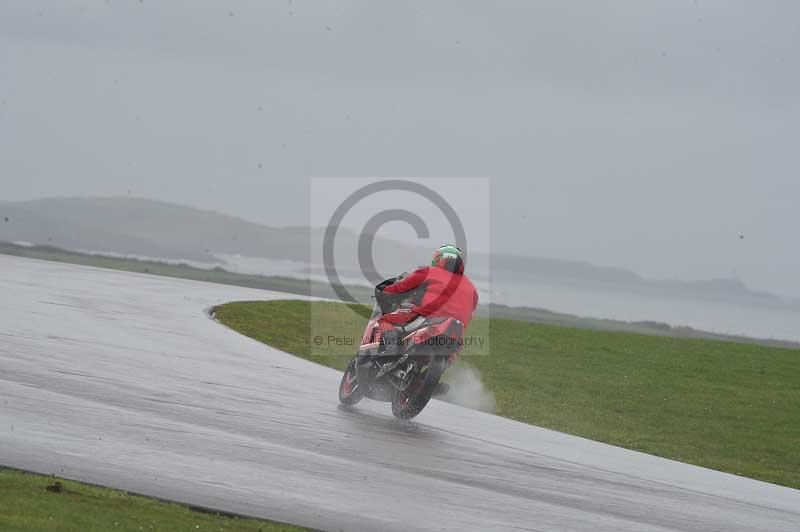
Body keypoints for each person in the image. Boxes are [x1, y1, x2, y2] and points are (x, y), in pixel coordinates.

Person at [377, 244, 479, 353]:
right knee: (452, 353)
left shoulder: (429, 272)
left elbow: (400, 288)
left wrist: (385, 290)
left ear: (438, 258)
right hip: (457, 332)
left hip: (429, 318)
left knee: (384, 320)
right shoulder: (471, 287)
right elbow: (471, 308)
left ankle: (391, 350)